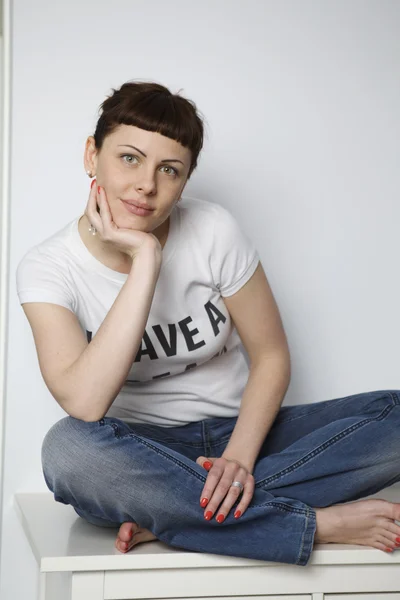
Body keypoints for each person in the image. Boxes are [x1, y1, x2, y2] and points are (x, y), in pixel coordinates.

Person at [16, 81, 400, 566]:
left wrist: (239, 457)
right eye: (129, 158)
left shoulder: (214, 229)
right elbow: (86, 403)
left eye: (169, 170)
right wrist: (147, 260)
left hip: (244, 437)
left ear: (186, 179)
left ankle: (174, 518)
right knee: (67, 452)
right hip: (138, 454)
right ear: (92, 155)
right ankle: (309, 524)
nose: (146, 185)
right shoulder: (48, 268)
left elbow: (271, 355)